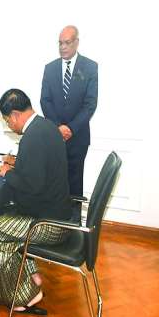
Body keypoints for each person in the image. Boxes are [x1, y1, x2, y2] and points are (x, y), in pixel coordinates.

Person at [0, 88, 73, 317]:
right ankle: (31, 276)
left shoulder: (32, 137)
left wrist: (7, 172)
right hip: (59, 213)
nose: (9, 126)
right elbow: (39, 169)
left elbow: (32, 186)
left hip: (50, 224)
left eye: (7, 120)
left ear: (15, 115)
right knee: (6, 217)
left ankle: (25, 296)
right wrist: (16, 163)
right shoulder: (46, 126)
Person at [40, 25, 98, 196]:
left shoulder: (90, 67)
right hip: (54, 136)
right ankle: (54, 214)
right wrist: (58, 127)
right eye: (60, 43)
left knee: (75, 184)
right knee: (54, 183)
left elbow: (90, 103)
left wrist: (71, 128)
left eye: (67, 42)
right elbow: (45, 100)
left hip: (78, 137)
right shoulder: (50, 68)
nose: (63, 47)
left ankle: (73, 214)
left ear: (76, 42)